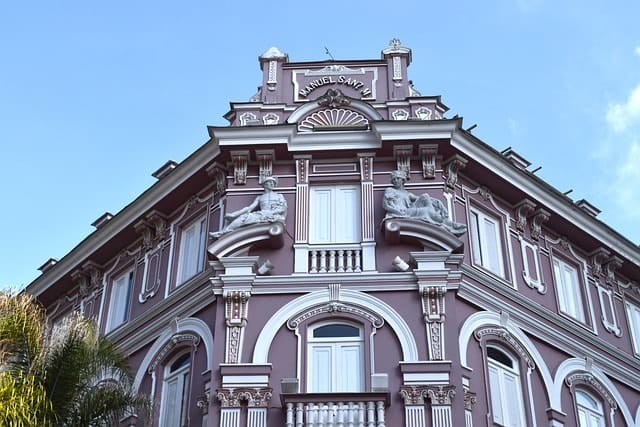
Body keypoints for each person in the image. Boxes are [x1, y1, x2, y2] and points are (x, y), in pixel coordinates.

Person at [383, 170, 467, 237]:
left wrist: (439, 203)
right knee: (425, 211)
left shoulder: (407, 193)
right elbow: (385, 205)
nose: (395, 181)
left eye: (397, 178)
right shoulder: (390, 190)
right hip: (402, 212)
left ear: (402, 180)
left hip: (408, 211)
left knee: (425, 196)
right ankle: (449, 225)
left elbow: (423, 198)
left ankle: (446, 222)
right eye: (393, 179)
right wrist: (398, 212)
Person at [212, 176, 287, 237]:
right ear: (265, 184)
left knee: (246, 217)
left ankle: (224, 231)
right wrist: (235, 215)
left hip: (273, 215)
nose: (272, 184)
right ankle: (224, 232)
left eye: (273, 183)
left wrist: (271, 213)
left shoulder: (279, 196)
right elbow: (250, 208)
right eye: (270, 182)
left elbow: (282, 209)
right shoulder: (260, 197)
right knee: (243, 217)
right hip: (261, 214)